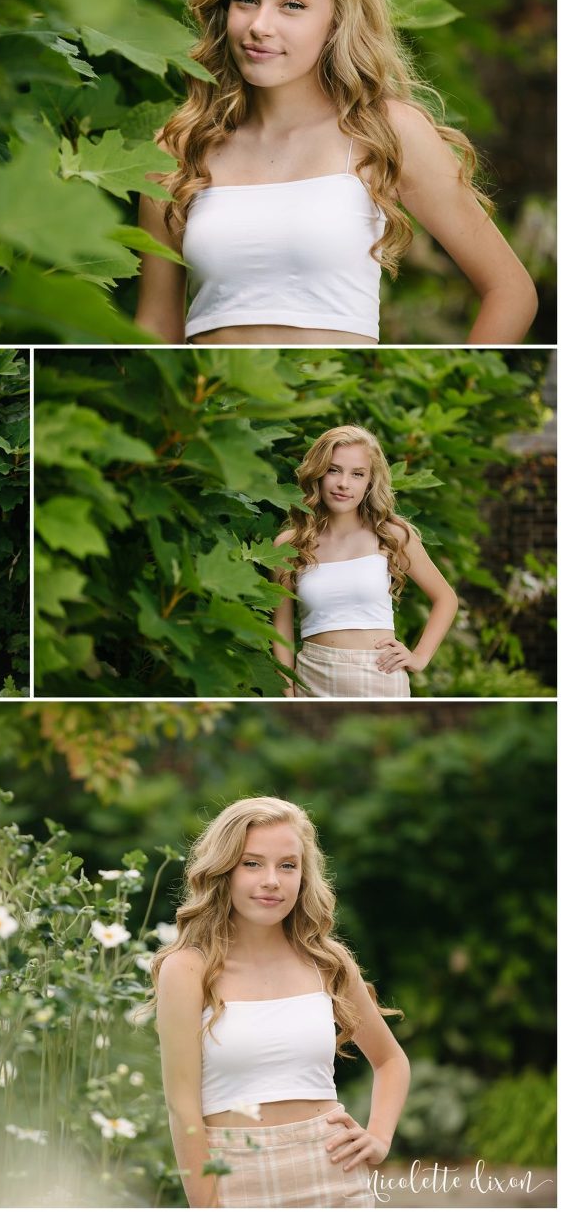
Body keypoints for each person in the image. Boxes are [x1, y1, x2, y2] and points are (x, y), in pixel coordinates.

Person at [135, 0, 537, 346]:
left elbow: (511, 291)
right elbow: (154, 326)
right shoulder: (178, 148)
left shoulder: (386, 132)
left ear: (337, 19)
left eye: (292, 5)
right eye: (246, 0)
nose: (259, 26)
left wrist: (467, 379)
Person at [153, 796, 410, 1208]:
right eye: (252, 863)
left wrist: (378, 1137)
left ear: (303, 876)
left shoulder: (328, 962)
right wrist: (207, 1203)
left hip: (334, 1174)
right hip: (234, 1177)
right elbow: (182, 1110)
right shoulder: (186, 970)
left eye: (287, 865)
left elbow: (391, 1061)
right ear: (224, 872)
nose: (272, 880)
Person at [272, 425, 457, 697]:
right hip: (311, 676)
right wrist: (288, 692)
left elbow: (446, 598)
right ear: (318, 474)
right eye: (333, 470)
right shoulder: (290, 544)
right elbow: (282, 629)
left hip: (379, 675)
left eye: (357, 474)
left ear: (370, 481)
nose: (344, 483)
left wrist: (419, 657)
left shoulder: (392, 535)